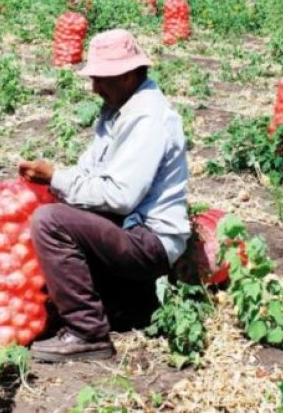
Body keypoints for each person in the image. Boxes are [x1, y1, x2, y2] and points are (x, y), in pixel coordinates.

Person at [19, 29, 190, 363]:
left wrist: (55, 177)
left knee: (50, 221)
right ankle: (127, 302)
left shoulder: (148, 117)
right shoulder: (119, 108)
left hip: (149, 241)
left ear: (127, 76)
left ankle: (88, 334)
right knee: (61, 206)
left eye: (100, 79)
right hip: (127, 228)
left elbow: (120, 196)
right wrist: (57, 183)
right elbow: (89, 172)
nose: (95, 88)